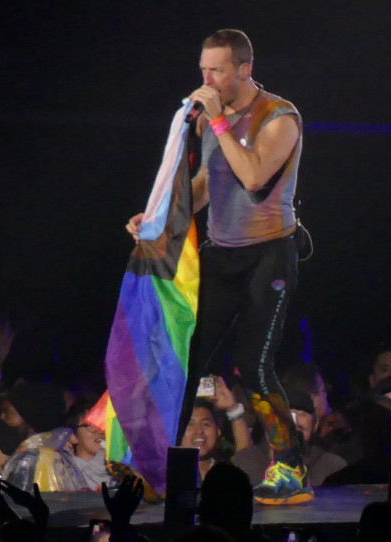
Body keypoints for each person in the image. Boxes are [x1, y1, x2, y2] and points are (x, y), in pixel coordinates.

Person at [126, 28, 307, 505]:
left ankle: (290, 467)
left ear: (244, 69)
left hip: (269, 253)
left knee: (254, 364)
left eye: (216, 70)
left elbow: (252, 176)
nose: (206, 79)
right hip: (221, 253)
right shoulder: (211, 119)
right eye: (202, 69)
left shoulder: (279, 116)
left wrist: (221, 121)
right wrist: (160, 221)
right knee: (184, 357)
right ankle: (164, 467)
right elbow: (208, 181)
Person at [234, 387, 345, 487]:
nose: (293, 421)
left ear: (315, 424)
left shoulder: (332, 467)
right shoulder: (245, 462)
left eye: (301, 414)